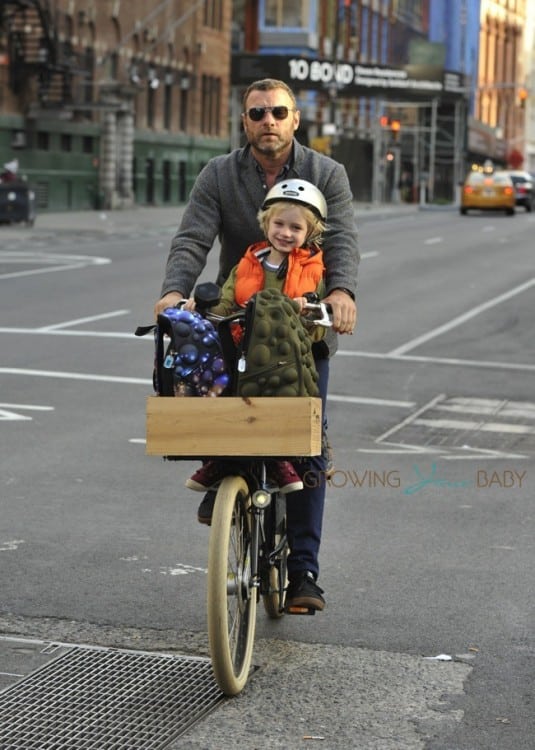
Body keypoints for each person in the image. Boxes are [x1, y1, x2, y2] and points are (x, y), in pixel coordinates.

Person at [154, 78, 359, 613]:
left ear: (295, 119)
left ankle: (303, 572)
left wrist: (339, 294)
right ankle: (225, 474)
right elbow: (193, 237)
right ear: (244, 121)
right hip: (238, 315)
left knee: (307, 438)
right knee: (210, 396)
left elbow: (341, 243)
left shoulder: (326, 174)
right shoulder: (219, 174)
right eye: (257, 113)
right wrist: (175, 292)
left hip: (301, 329)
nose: (268, 120)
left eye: (278, 112)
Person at [184, 178, 328, 497]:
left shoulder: (313, 270)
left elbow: (318, 324)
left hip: (283, 353)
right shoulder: (248, 261)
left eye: (296, 228)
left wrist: (308, 310)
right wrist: (204, 307)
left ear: (309, 233)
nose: (286, 233)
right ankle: (219, 459)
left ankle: (277, 458)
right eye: (279, 223)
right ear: (266, 223)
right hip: (241, 346)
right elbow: (227, 301)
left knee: (280, 391)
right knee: (214, 383)